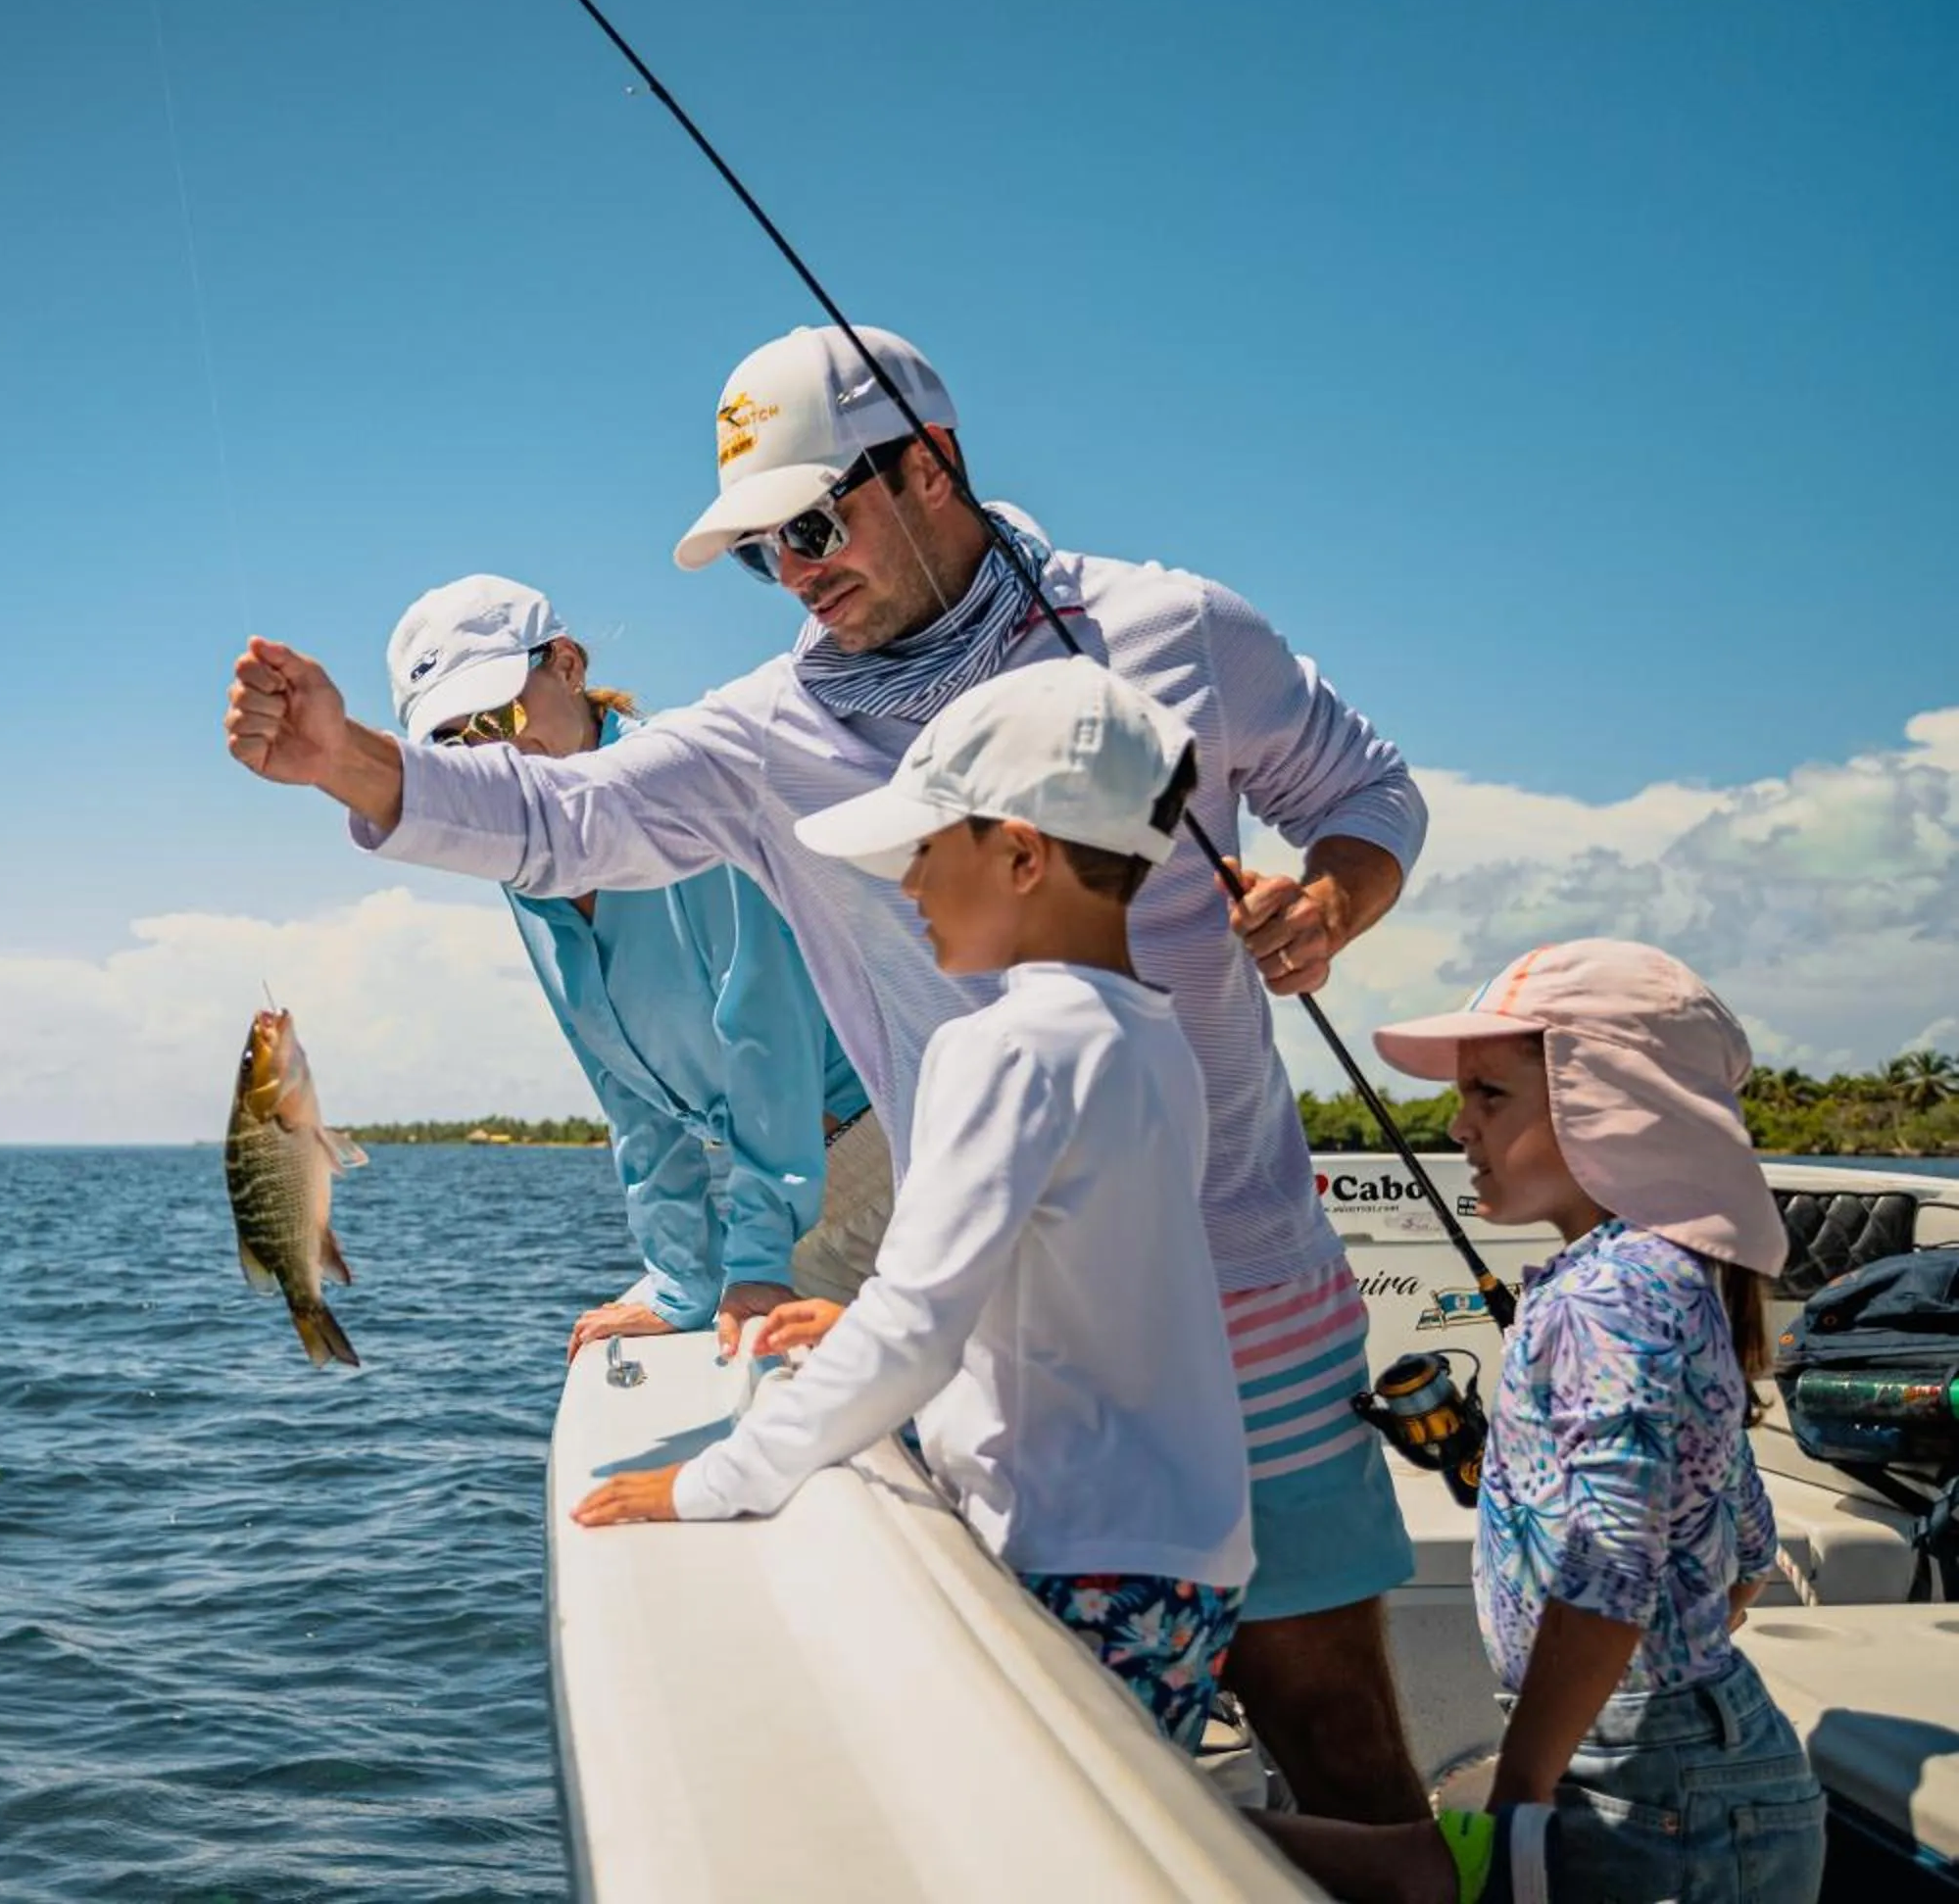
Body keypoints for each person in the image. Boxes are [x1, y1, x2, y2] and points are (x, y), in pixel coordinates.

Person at [225, 321, 1430, 1819]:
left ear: (931, 468)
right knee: (1076, 1767)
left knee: (1339, 1739)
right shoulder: (769, 734)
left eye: (812, 522)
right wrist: (351, 762)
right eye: (759, 551)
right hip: (994, 1338)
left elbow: (1365, 789)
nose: (794, 571)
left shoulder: (1177, 628)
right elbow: (565, 820)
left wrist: (1335, 900)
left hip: (1251, 1286)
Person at [572, 660, 1255, 1748]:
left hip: (1079, 1556)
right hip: (1188, 1561)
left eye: (924, 852)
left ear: (1022, 855)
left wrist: (717, 1478)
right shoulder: (1150, 1038)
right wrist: (863, 1323)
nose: (906, 885)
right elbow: (1071, 1288)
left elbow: (913, 1323)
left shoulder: (1003, 1045)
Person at [1256, 941, 1824, 1904]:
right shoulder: (1673, 1281)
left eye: (1491, 1094)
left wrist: (1521, 1787)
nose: (1456, 1122)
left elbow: (1611, 1565)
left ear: (1611, 1109)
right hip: (1701, 1766)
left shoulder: (1604, 1299)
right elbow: (1744, 1551)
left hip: (1645, 1789)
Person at [382, 573, 890, 1354]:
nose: (493, 755)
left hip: (877, 1167)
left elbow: (767, 1043)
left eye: (500, 714)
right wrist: (682, 1279)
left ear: (568, 665)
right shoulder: (521, 859)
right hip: (791, 1195)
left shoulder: (684, 784)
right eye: (455, 742)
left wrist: (753, 1262)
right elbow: (625, 1088)